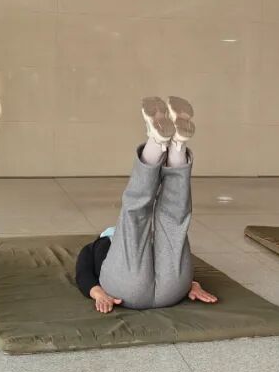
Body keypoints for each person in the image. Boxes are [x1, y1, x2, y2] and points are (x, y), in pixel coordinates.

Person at [75, 96, 219, 313]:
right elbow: (83, 266)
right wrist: (193, 283)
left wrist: (97, 292)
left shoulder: (105, 243)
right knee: (156, 218)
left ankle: (168, 144)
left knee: (163, 219)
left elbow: (83, 269)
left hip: (158, 290)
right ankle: (172, 145)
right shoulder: (106, 241)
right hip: (165, 289)